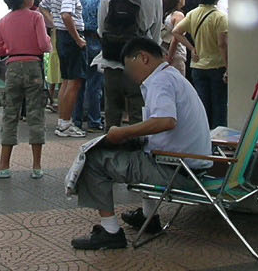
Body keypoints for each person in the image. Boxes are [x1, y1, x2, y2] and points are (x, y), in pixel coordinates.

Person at [69, 37, 216, 249]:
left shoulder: (159, 81)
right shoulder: (173, 75)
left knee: (94, 160)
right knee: (138, 147)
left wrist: (123, 132)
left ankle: (110, 232)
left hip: (178, 171)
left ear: (143, 58)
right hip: (192, 167)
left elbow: (166, 121)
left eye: (130, 67)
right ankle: (149, 217)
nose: (129, 75)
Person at [93, 0, 164, 130]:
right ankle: (137, 155)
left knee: (112, 115)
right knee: (138, 117)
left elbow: (101, 30)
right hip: (140, 65)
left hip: (111, 62)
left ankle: (110, 155)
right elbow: (156, 38)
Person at [0, 0, 50, 179]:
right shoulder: (36, 17)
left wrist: (11, 49)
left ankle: (4, 165)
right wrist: (44, 41)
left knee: (10, 114)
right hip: (33, 68)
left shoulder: (3, 21)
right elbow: (44, 45)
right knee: (35, 114)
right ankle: (36, 166)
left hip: (12, 67)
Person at [168, 0, 227, 129]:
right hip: (217, 66)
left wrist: (192, 48)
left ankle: (204, 137)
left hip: (197, 66)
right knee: (219, 105)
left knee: (202, 104)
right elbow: (221, 44)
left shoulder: (193, 14)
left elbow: (176, 32)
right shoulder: (220, 17)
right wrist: (228, 66)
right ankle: (217, 140)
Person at [42, 0, 89, 138]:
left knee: (67, 80)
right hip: (71, 37)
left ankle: (63, 122)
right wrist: (77, 38)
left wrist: (55, 24)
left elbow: (43, 6)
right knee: (75, 81)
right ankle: (65, 124)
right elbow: (66, 14)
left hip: (62, 37)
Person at [73, 0, 104, 132]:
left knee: (78, 82)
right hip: (94, 41)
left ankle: (76, 119)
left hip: (77, 39)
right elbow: (102, 22)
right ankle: (94, 119)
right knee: (95, 84)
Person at [160, 0, 187, 76]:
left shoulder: (166, 15)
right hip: (175, 55)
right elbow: (176, 38)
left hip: (164, 53)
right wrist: (170, 57)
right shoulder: (179, 15)